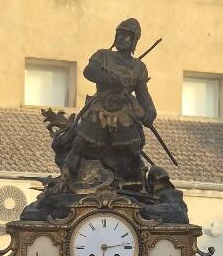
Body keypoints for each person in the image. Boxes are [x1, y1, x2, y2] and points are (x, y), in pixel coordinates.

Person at [56, 18, 156, 186]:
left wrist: (150, 111)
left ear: (134, 40)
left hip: (123, 112)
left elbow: (143, 93)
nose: (121, 38)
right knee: (80, 143)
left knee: (133, 148)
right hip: (99, 109)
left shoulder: (139, 67)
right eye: (119, 34)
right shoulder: (102, 55)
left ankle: (140, 184)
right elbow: (89, 71)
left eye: (126, 35)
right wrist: (111, 78)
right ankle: (65, 179)